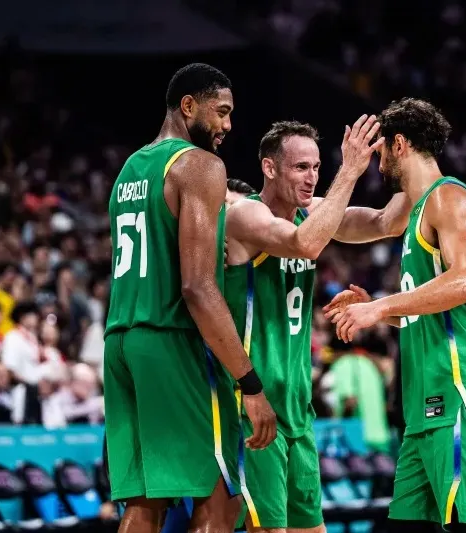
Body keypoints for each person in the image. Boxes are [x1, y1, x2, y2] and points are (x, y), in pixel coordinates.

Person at [324, 98, 466, 532]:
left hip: (464, 393)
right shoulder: (415, 209)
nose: (377, 163)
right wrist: (375, 307)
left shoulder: (449, 197)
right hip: (426, 404)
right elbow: (367, 224)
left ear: (399, 144)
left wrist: (382, 305)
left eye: (379, 152)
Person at [103, 62, 277, 533]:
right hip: (171, 342)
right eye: (221, 112)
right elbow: (197, 288)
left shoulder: (129, 169)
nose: (227, 125)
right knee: (219, 497)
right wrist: (251, 385)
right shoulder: (200, 165)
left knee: (143, 504)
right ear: (188, 106)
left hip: (121, 340)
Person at [224, 117, 409, 533]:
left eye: (316, 168)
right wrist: (349, 171)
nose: (311, 178)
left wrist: (410, 161)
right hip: (254, 403)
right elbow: (305, 243)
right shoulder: (245, 215)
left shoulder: (312, 213)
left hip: (298, 410)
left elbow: (385, 222)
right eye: (300, 167)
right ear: (270, 168)